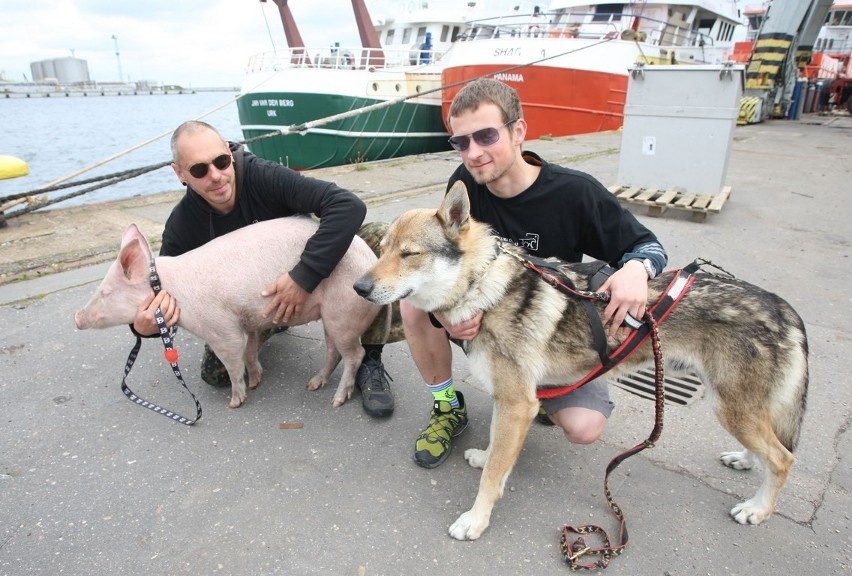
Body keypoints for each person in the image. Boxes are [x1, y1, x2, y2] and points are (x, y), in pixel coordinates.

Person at [403, 78, 668, 468]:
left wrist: (635, 269)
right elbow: (442, 262)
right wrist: (442, 317)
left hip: (548, 337)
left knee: (585, 428)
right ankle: (446, 406)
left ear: (518, 131)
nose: (473, 153)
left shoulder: (575, 192)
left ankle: (535, 393)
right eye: (461, 142)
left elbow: (649, 247)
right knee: (412, 304)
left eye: (486, 136)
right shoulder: (465, 188)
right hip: (482, 328)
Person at [130, 120, 400, 417]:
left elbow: (347, 205)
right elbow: (162, 289)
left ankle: (370, 359)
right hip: (260, 306)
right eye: (199, 169)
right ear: (180, 173)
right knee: (216, 374)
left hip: (307, 282)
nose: (216, 176)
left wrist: (303, 278)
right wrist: (144, 327)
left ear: (230, 153)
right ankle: (275, 328)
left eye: (221, 161)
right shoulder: (183, 225)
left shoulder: (263, 177)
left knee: (379, 241)